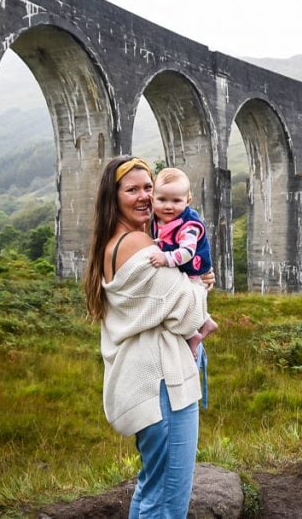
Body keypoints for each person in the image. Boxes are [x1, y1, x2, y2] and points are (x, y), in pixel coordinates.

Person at [82, 156, 213, 518]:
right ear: (114, 196)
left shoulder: (113, 242)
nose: (144, 197)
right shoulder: (139, 243)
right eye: (132, 189)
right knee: (168, 502)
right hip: (163, 385)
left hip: (147, 382)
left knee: (151, 490)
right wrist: (201, 284)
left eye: (148, 188)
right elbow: (190, 314)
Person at [148, 167, 219, 358]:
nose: (168, 206)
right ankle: (206, 323)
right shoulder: (157, 219)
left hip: (193, 267)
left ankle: (194, 335)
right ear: (152, 198)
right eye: (162, 200)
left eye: (176, 201)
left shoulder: (189, 225)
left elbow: (187, 252)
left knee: (188, 303)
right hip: (185, 269)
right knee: (187, 301)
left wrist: (165, 258)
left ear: (188, 201)